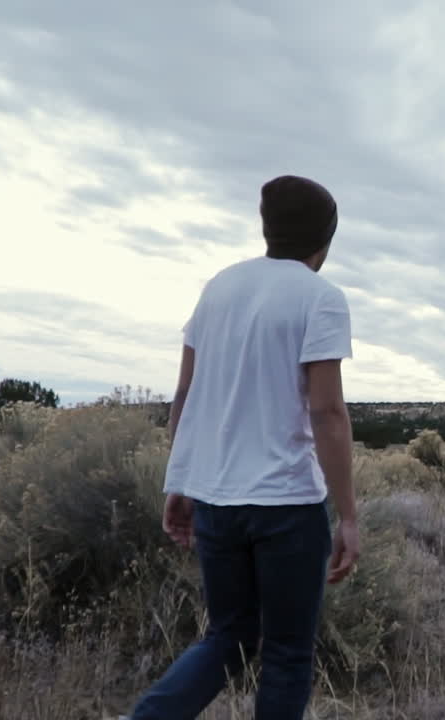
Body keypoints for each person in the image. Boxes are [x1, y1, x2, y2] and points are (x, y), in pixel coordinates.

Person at [127, 175, 360, 720]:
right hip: (286, 505)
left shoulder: (219, 288)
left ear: (267, 229)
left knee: (228, 637)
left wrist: (180, 481)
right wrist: (348, 515)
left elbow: (186, 393)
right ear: (324, 240)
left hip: (217, 501)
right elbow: (327, 412)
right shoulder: (321, 298)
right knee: (286, 655)